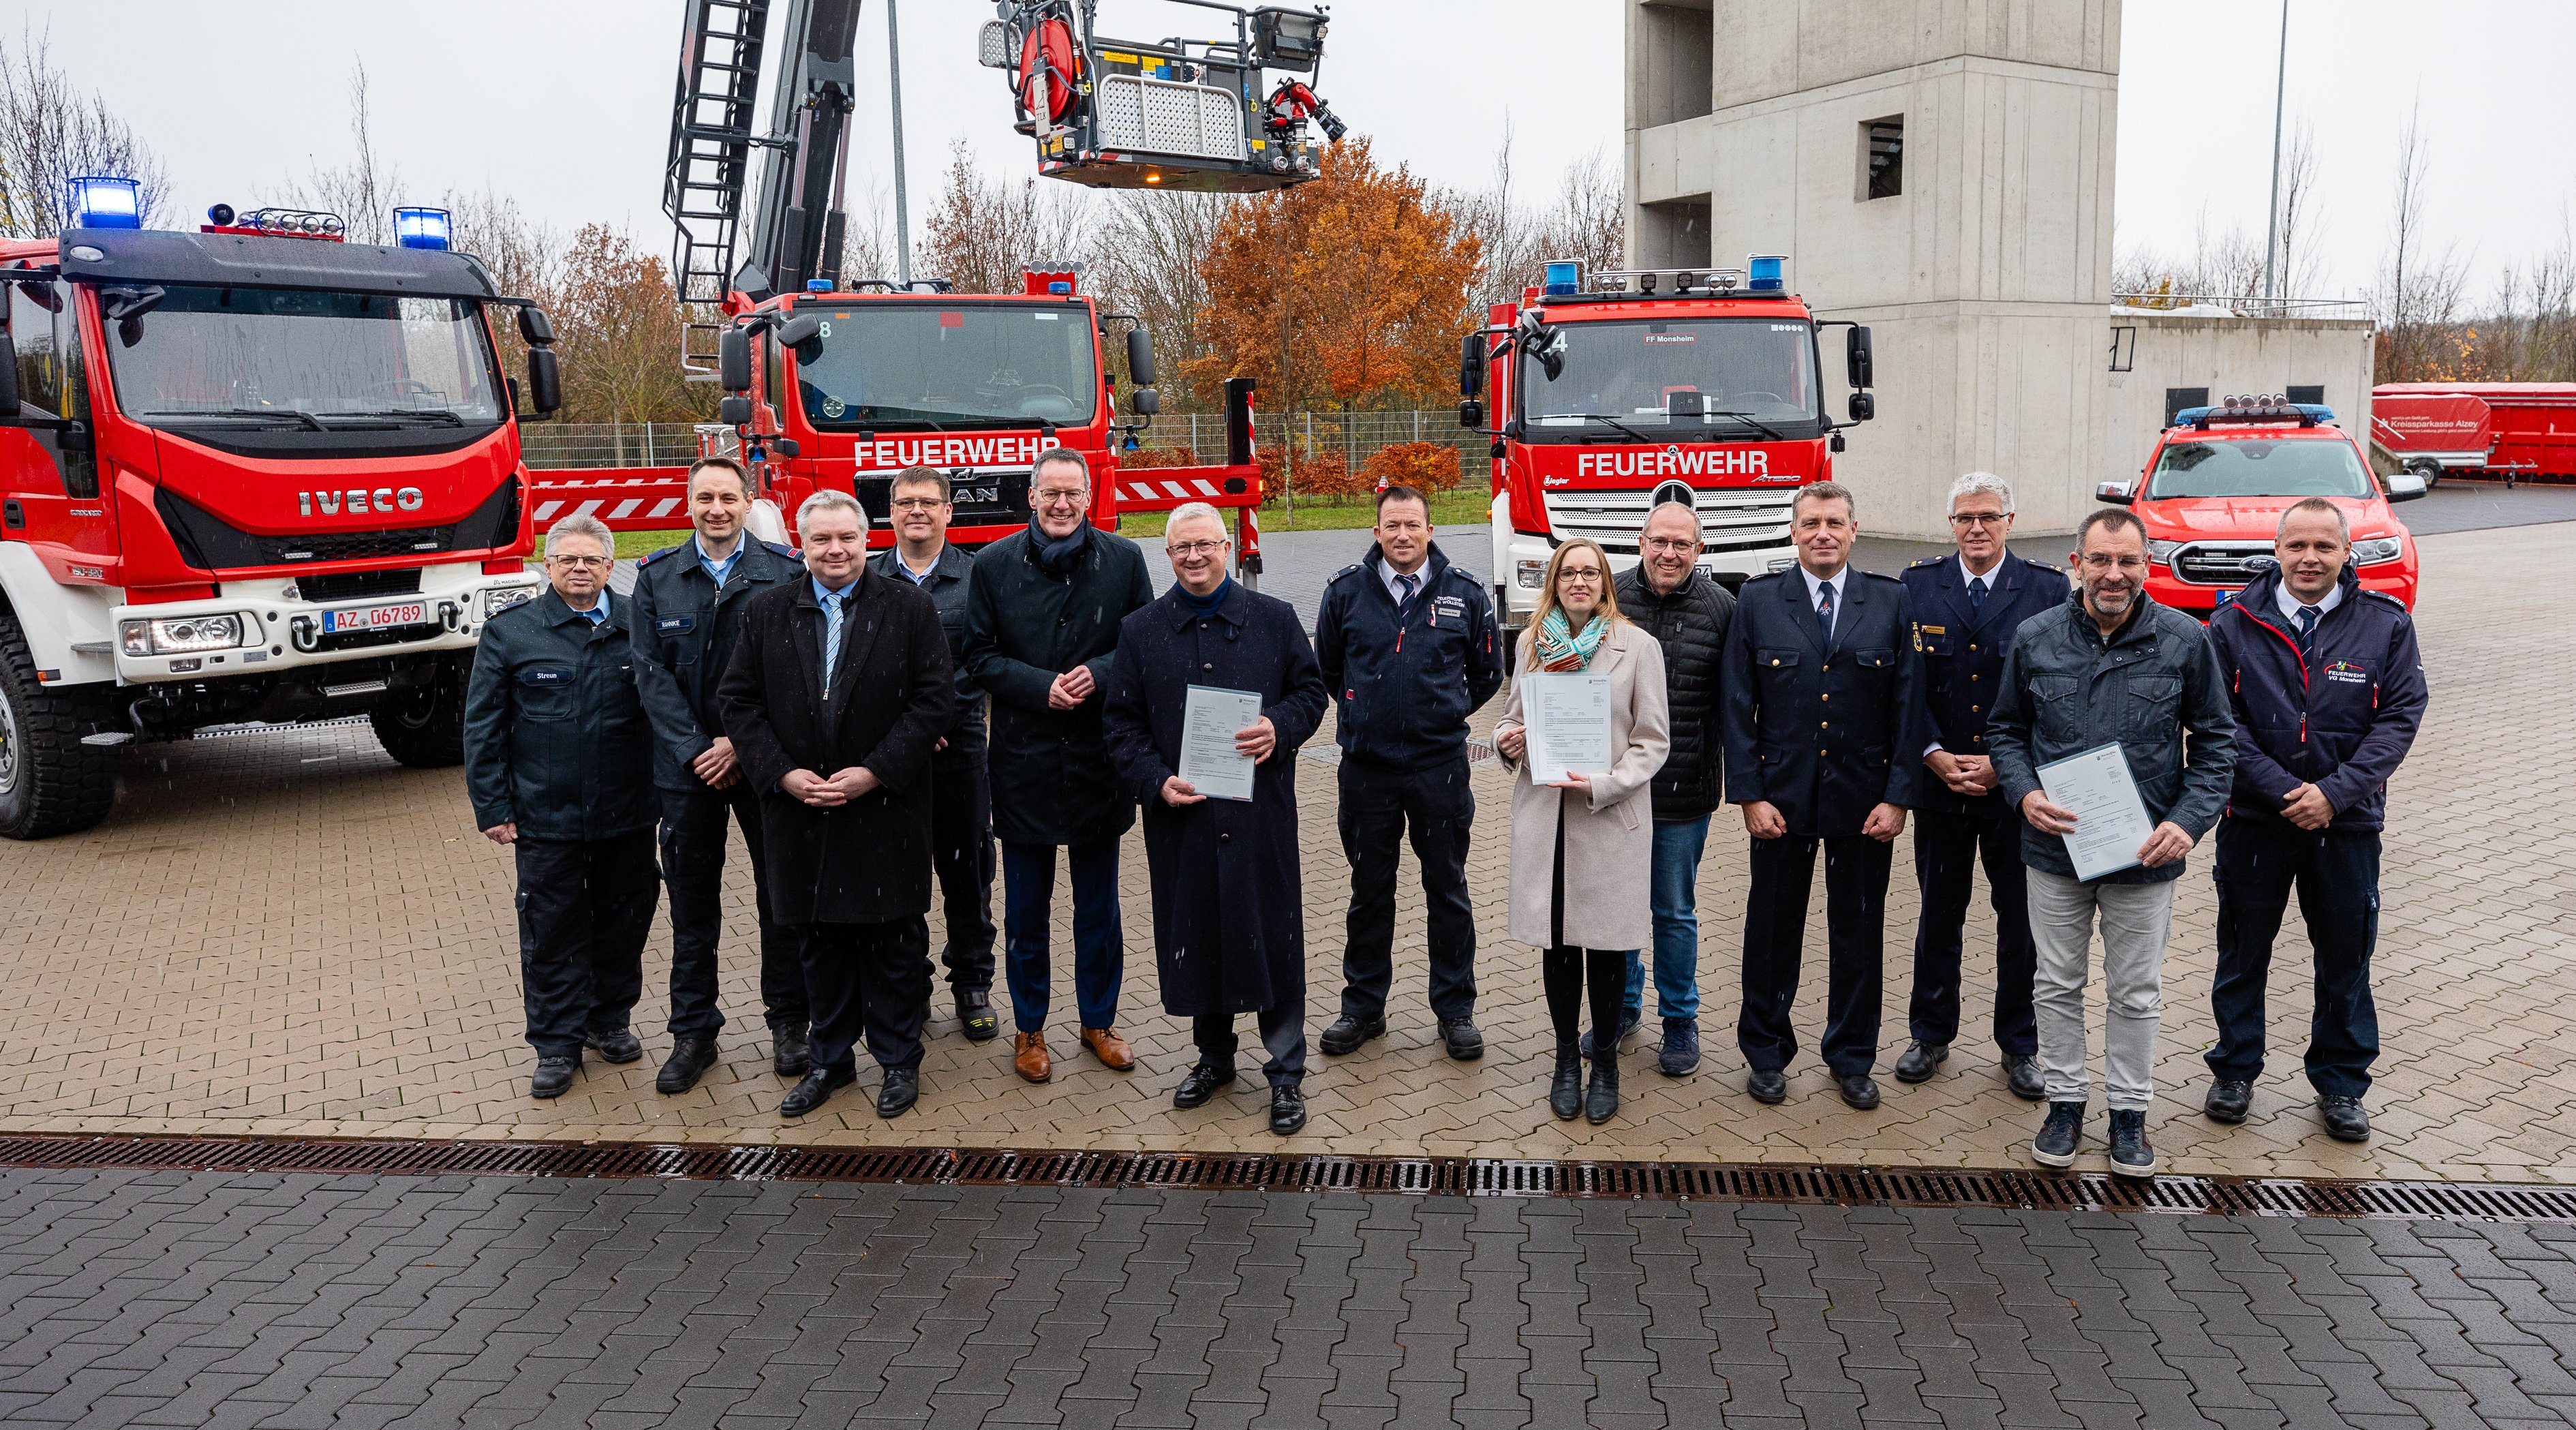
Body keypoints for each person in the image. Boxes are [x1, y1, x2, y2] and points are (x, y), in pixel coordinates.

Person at [1987, 507, 2236, 1178]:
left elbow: (2217, 742)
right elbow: (2005, 730)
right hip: (2054, 851)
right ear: (2078, 564)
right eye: (2100, 559)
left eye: (2127, 560)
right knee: (2057, 982)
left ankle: (2130, 1113)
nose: (2113, 573)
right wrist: (2024, 793)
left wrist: (2187, 823)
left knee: (2135, 991)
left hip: (2147, 856)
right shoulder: (2035, 637)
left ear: (2146, 564)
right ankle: (2065, 1103)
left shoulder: (2185, 640)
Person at [715, 489, 954, 1119]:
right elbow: (738, 702)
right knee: (817, 944)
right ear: (803, 545)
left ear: (866, 538)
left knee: (893, 943)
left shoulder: (908, 608)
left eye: (846, 537)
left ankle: (899, 1062)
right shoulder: (766, 613)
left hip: (883, 810)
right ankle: (831, 1060)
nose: (836, 550)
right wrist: (782, 775)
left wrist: (873, 773)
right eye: (821, 540)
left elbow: (934, 702)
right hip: (799, 813)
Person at [2200, 497, 2425, 1143]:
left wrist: (2334, 793)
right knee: (2243, 953)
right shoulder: (2233, 623)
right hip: (2255, 822)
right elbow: (2219, 725)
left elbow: (2400, 719)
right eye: (2297, 546)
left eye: (2324, 547)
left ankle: (2341, 1084)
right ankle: (2235, 1070)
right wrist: (2282, 791)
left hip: (2346, 826)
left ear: (2346, 552)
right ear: (2276, 550)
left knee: (2346, 958)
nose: (2310, 559)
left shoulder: (2385, 624)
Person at [1103, 504, 1330, 1135]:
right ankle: (1214, 1058)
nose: (1195, 557)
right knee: (1201, 934)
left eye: (1206, 545)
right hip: (1184, 817)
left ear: (1228, 548)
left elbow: (1312, 694)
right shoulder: (1141, 630)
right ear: (1167, 556)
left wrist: (1278, 728)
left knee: (1273, 937)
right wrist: (1154, 781)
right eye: (1182, 548)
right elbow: (1120, 723)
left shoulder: (1276, 619)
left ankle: (1285, 1074)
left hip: (1260, 817)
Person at [1719, 481, 1920, 1110]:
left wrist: (1898, 798)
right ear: (1793, 532)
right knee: (1771, 932)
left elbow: (1908, 709)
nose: (1822, 533)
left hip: (1864, 804)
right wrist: (1749, 795)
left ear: (1854, 531)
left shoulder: (1890, 602)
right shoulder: (1757, 602)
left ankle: (1852, 1056)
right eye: (1811, 523)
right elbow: (1736, 706)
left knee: (1858, 933)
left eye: (1834, 522)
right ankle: (1767, 1053)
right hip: (1780, 800)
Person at [962, 448, 1156, 1084]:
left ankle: (1099, 1021)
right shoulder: (991, 566)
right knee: (1025, 911)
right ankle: (1029, 1029)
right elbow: (979, 657)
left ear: (1090, 498)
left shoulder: (1124, 561)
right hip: (1024, 763)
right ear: (1032, 496)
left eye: (1073, 493)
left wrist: (1098, 674)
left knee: (1099, 910)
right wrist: (1038, 685)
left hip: (1101, 761)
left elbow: (1142, 643)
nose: (1062, 504)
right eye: (1051, 493)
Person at [629, 455, 812, 1094]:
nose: (717, 509)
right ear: (689, 503)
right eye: (705, 497)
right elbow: (649, 674)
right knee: (692, 908)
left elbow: (792, 674)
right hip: (687, 774)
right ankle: (693, 1034)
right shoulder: (657, 578)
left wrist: (739, 742)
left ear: (747, 502)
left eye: (729, 498)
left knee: (780, 900)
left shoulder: (785, 574)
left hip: (762, 766)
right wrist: (696, 748)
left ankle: (791, 1024)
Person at [463, 514, 661, 1099]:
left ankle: (608, 1020)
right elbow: (483, 727)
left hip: (627, 814)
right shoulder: (513, 633)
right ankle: (555, 1043)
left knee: (624, 921)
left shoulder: (639, 625)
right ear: (548, 567)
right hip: (545, 818)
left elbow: (665, 712)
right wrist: (492, 805)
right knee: (551, 930)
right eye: (567, 560)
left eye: (591, 559)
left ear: (609, 564)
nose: (579, 569)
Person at [1310, 483, 1504, 1062]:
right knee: (1369, 891)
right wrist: (1366, 711)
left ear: (1429, 530)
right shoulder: (1345, 592)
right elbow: (1328, 667)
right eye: (1391, 526)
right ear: (1376, 532)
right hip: (1366, 772)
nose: (1402, 536)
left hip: (1439, 768)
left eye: (1412, 525)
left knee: (1447, 889)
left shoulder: (1464, 594)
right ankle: (1363, 1008)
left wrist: (1440, 713)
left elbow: (1488, 672)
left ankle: (1455, 1011)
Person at [1896, 473, 2070, 1101]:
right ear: (1951, 525)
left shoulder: (2047, 589)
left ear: (2010, 521)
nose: (1976, 528)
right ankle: (1930, 1034)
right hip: (1941, 786)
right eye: (1965, 517)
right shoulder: (1918, 585)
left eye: (1988, 517)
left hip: (2015, 790)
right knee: (1938, 915)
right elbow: (1905, 686)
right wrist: (1934, 754)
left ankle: (2019, 1045)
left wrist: (2005, 761)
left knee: (2019, 920)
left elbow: (2055, 689)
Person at [1492, 538, 1670, 1125]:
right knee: (1560, 943)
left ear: (1605, 583)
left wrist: (1604, 784)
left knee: (1609, 946)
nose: (1579, 581)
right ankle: (1567, 1059)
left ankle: (1607, 1064)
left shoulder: (1637, 647)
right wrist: (1505, 741)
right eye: (1568, 572)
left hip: (1606, 818)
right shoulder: (1530, 644)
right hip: (1548, 819)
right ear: (1554, 581)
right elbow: (1513, 717)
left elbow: (1653, 741)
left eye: (1590, 572)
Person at [868, 466, 1000, 1044]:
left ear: (950, 511)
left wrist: (936, 719)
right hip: (890, 751)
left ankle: (972, 983)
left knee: (967, 867)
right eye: (905, 502)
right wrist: (906, 728)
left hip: (959, 744)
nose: (916, 511)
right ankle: (911, 986)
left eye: (929, 502)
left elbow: (985, 657)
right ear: (890, 513)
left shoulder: (978, 579)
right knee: (899, 868)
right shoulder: (866, 580)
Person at [1607, 500, 1736, 1077]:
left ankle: (1680, 1020)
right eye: (1660, 541)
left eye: (1682, 544)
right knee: (1618, 908)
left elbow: (1738, 703)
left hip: (1684, 794)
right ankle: (1622, 1007)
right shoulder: (1608, 599)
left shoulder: (1723, 610)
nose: (1669, 553)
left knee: (1673, 912)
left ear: (1699, 551)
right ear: (1641, 542)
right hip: (1615, 794)